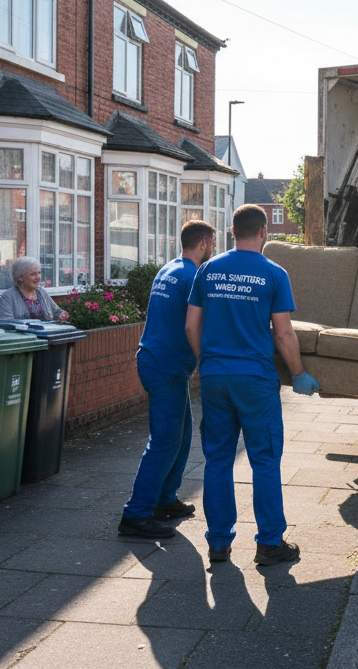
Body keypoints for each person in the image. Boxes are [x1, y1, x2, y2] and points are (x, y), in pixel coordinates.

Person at [186, 204, 320, 565]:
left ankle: (217, 544)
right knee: (263, 461)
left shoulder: (208, 270)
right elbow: (284, 334)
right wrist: (298, 374)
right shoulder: (274, 273)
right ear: (264, 232)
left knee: (216, 461)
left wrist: (207, 362)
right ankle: (269, 544)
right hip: (256, 381)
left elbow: (190, 326)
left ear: (232, 232)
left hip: (215, 378)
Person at [118, 220, 216, 539]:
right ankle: (136, 514)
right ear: (202, 243)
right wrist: (206, 361)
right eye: (212, 244)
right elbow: (194, 326)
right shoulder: (192, 276)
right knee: (164, 440)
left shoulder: (170, 269)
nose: (213, 250)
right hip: (166, 366)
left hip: (158, 360)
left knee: (182, 433)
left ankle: (163, 499)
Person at [0, 257, 67, 321]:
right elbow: (6, 323)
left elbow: (57, 312)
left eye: (39, 273)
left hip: (46, 334)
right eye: (33, 274)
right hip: (22, 335)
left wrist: (62, 315)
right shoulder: (9, 296)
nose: (38, 277)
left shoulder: (42, 292)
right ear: (21, 277)